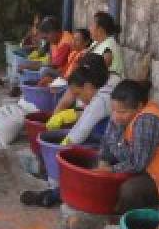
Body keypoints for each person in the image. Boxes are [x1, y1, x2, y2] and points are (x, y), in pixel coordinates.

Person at [20, 57, 116, 208]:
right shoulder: (105, 90)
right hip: (104, 138)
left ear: (89, 86)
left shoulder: (101, 100)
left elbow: (81, 131)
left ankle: (54, 193)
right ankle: (52, 182)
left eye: (78, 94)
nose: (78, 98)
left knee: (78, 166)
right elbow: (85, 116)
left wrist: (61, 146)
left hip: (107, 146)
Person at [95, 78, 159, 213]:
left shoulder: (147, 120)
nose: (116, 116)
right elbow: (107, 139)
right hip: (145, 167)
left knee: (130, 190)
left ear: (139, 107)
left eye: (122, 112)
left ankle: (122, 220)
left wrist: (110, 170)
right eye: (114, 110)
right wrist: (103, 162)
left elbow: (138, 163)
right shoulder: (120, 113)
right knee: (98, 168)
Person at [90, 11, 125, 77]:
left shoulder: (109, 47)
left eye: (92, 25)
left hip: (108, 84)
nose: (89, 28)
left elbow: (99, 73)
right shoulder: (95, 43)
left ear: (100, 29)